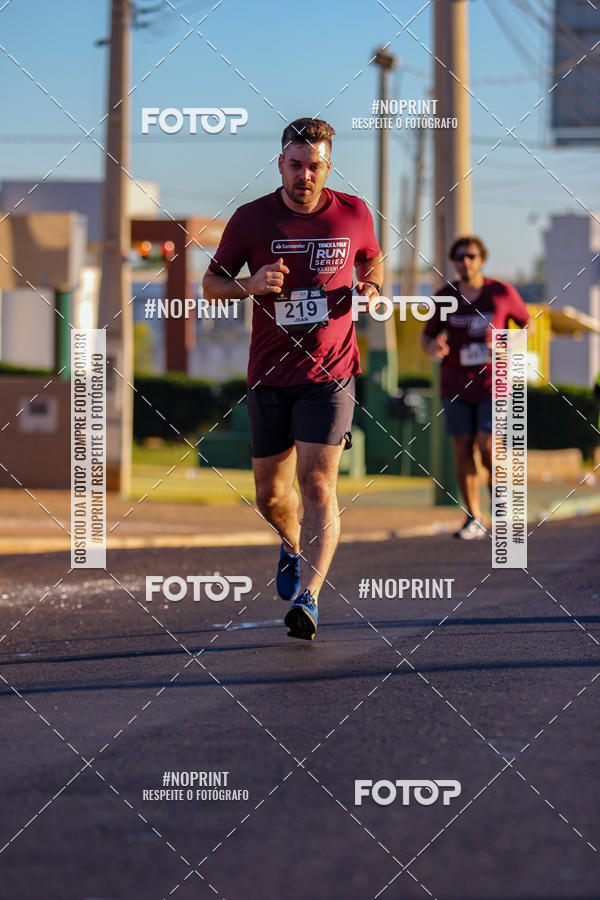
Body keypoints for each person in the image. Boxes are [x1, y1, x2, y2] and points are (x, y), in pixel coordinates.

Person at [202, 118, 383, 639]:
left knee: (318, 483)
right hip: (269, 371)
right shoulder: (251, 219)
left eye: (315, 166)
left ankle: (310, 597)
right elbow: (211, 283)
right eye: (296, 165)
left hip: (331, 372)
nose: (305, 175)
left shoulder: (353, 213)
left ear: (328, 166)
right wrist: (251, 284)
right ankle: (290, 542)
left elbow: (371, 261)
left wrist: (370, 287)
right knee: (269, 495)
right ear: (280, 163)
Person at [421, 236, 530, 540]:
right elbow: (428, 337)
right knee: (462, 448)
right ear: (453, 262)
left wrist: (506, 343)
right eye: (458, 257)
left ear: (482, 259)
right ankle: (473, 517)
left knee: (487, 446)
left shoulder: (501, 293)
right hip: (455, 384)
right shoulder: (445, 296)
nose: (464, 262)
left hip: (492, 384)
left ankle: (499, 497)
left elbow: (526, 325)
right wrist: (434, 346)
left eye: (470, 256)